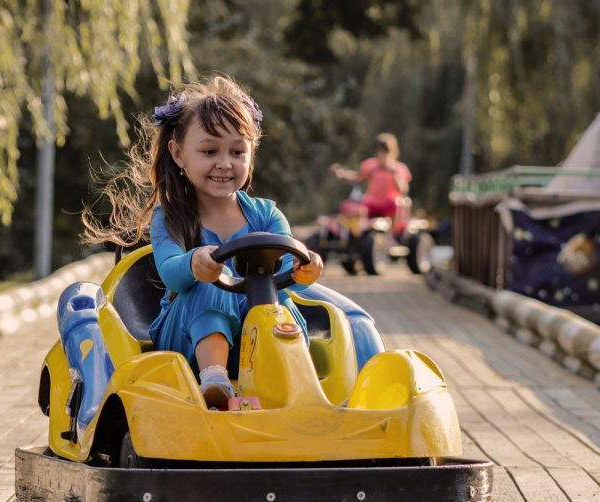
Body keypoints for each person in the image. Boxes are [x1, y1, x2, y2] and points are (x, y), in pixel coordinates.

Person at [82, 75, 323, 408]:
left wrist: (303, 269)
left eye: (237, 151)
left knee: (283, 307)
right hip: (186, 341)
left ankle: (299, 391)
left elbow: (286, 270)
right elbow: (170, 272)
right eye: (210, 151)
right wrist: (193, 263)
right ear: (179, 154)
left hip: (257, 338)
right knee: (211, 283)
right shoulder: (172, 217)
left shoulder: (267, 216)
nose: (224, 163)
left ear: (251, 154)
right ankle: (215, 381)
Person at [330, 133, 411, 219]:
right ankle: (361, 231)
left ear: (394, 152)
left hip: (390, 204)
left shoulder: (399, 168)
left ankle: (393, 232)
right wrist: (342, 173)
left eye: (385, 152)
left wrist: (395, 175)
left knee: (401, 204)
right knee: (351, 208)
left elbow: (403, 191)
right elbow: (358, 177)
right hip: (371, 203)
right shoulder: (371, 165)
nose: (382, 155)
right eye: (379, 151)